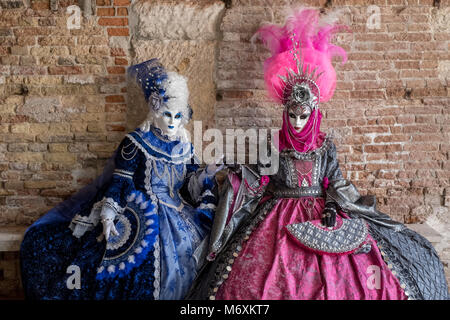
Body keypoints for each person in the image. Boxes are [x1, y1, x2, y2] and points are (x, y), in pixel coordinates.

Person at [186, 9, 449, 300]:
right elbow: (259, 177)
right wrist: (235, 174)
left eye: (303, 116)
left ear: (314, 114)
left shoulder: (325, 146)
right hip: (276, 213)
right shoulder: (274, 143)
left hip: (322, 212)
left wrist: (333, 207)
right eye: (292, 116)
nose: (297, 123)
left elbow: (335, 182)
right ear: (285, 113)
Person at [20, 58, 222, 300]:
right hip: (142, 211)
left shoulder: (185, 147)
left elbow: (189, 184)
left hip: (179, 213)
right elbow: (121, 182)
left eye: (178, 116)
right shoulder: (135, 143)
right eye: (167, 115)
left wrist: (207, 173)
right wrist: (107, 215)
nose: (172, 122)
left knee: (194, 247)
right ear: (154, 112)